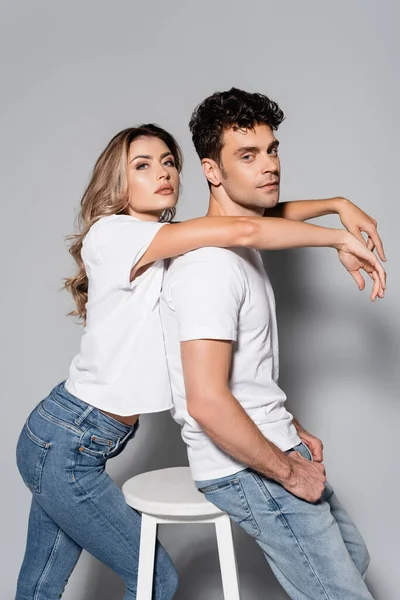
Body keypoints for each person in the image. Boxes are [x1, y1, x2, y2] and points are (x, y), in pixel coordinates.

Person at [15, 122, 384, 600]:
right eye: (142, 166)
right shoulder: (113, 235)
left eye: (169, 162)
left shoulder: (168, 239)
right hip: (65, 440)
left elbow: (257, 212)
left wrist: (335, 204)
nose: (163, 173)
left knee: (38, 586)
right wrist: (335, 237)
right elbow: (246, 226)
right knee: (153, 578)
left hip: (79, 441)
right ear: (117, 180)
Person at [160, 89, 385, 599]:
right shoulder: (209, 267)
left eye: (272, 150)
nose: (269, 166)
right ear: (211, 171)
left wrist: (337, 206)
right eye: (247, 155)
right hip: (243, 465)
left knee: (355, 561)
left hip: (270, 436)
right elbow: (206, 400)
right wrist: (287, 470)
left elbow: (245, 372)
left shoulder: (243, 239)